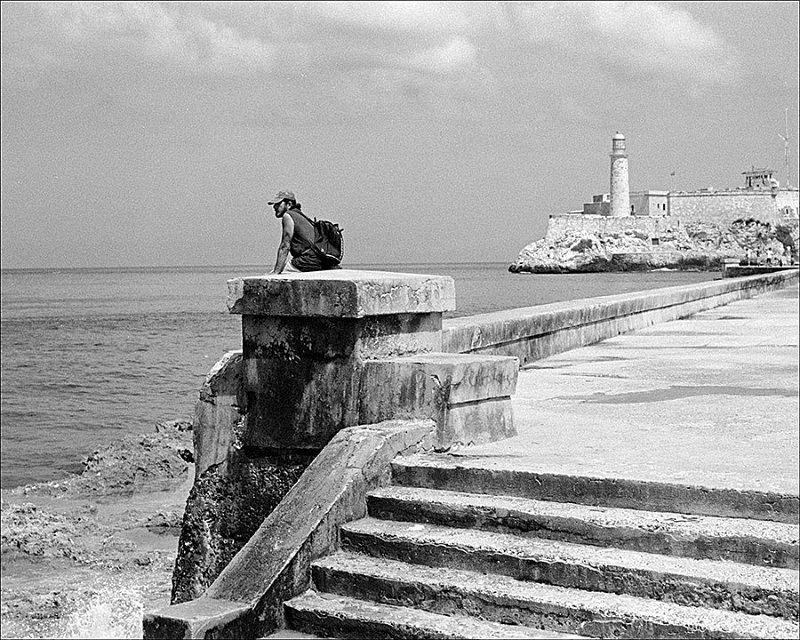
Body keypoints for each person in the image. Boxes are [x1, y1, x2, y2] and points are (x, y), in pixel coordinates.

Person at [266, 190, 333, 274]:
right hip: (320, 259)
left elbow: (285, 246)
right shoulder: (301, 215)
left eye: (278, 204)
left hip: (307, 260)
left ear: (289, 204)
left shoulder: (288, 215)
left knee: (275, 275)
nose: (274, 207)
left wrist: (276, 272)